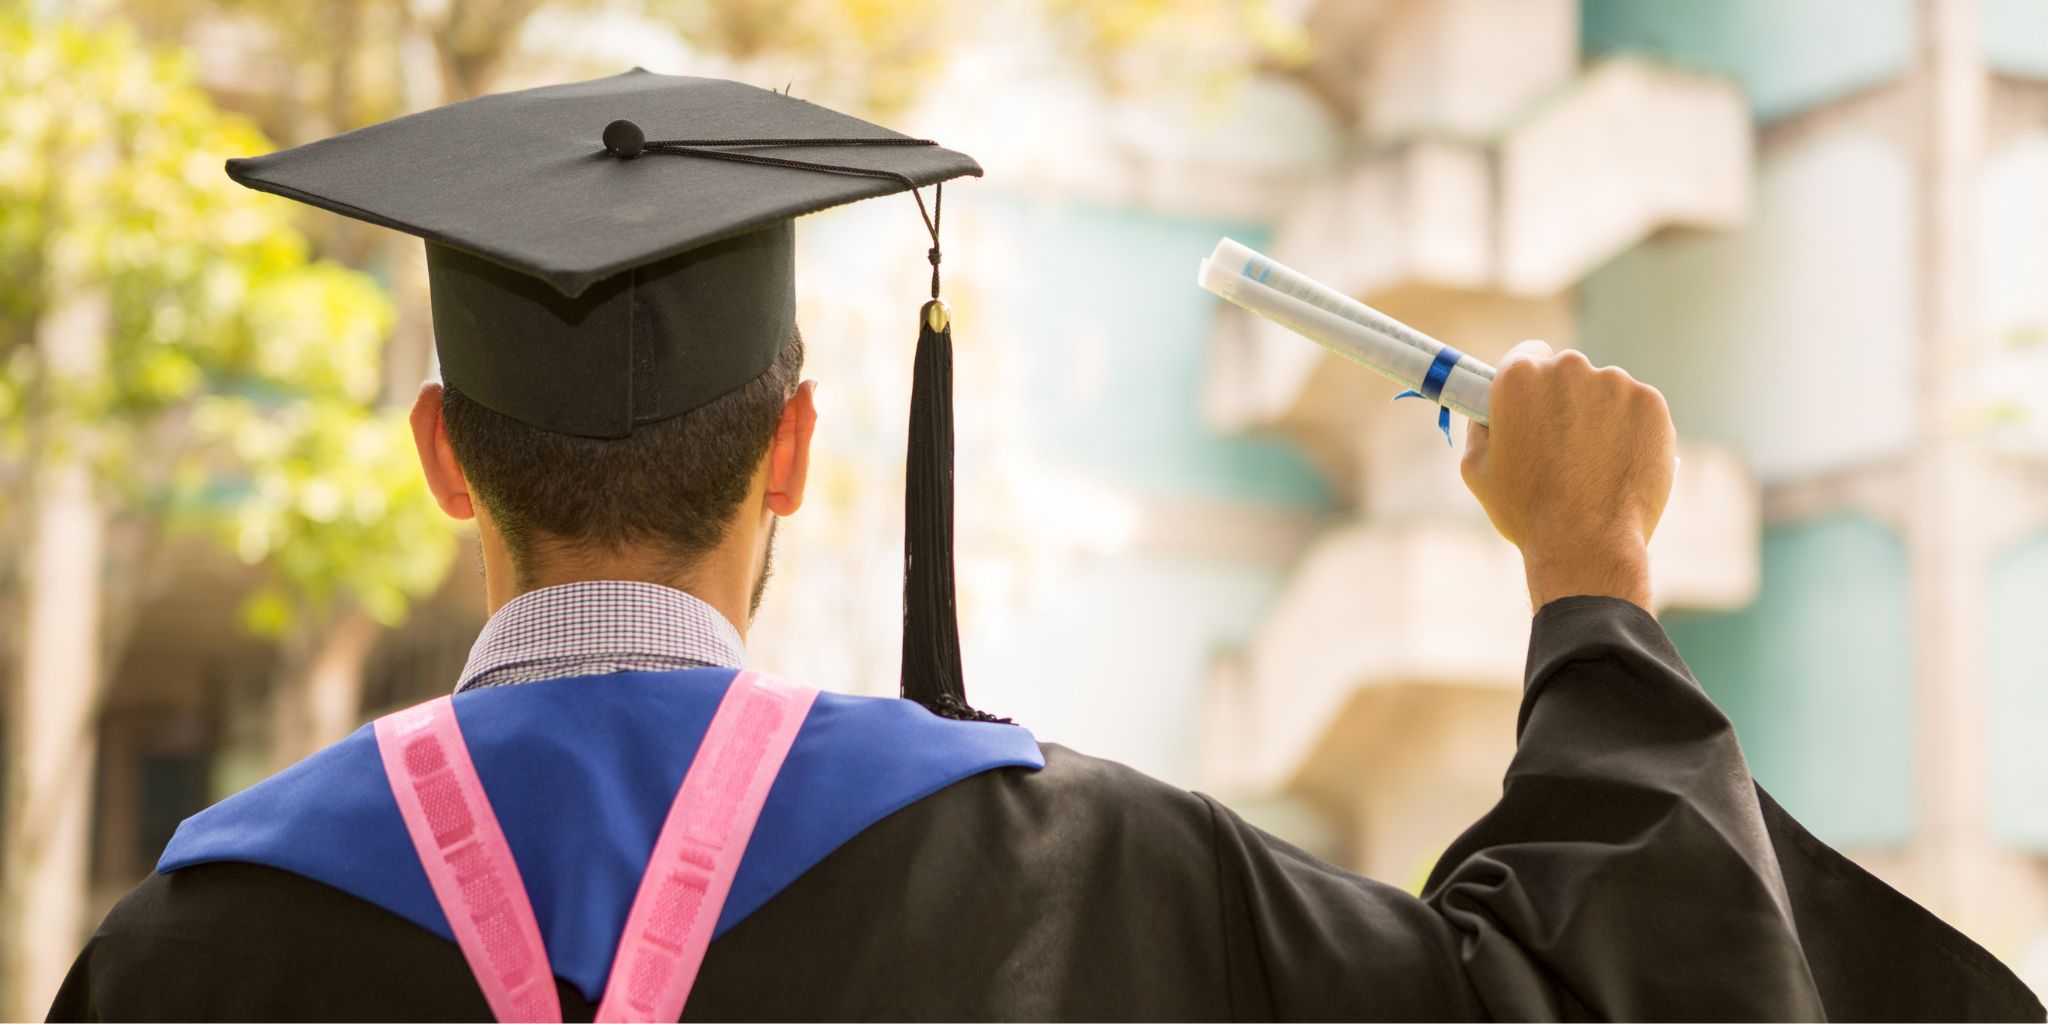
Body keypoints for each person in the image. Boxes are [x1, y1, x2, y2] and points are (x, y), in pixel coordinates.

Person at [50, 71, 2044, 1022]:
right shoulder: (1071, 876)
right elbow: (1584, 1004)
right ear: (806, 447)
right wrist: (1585, 565)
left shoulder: (183, 949)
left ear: (441, 458)